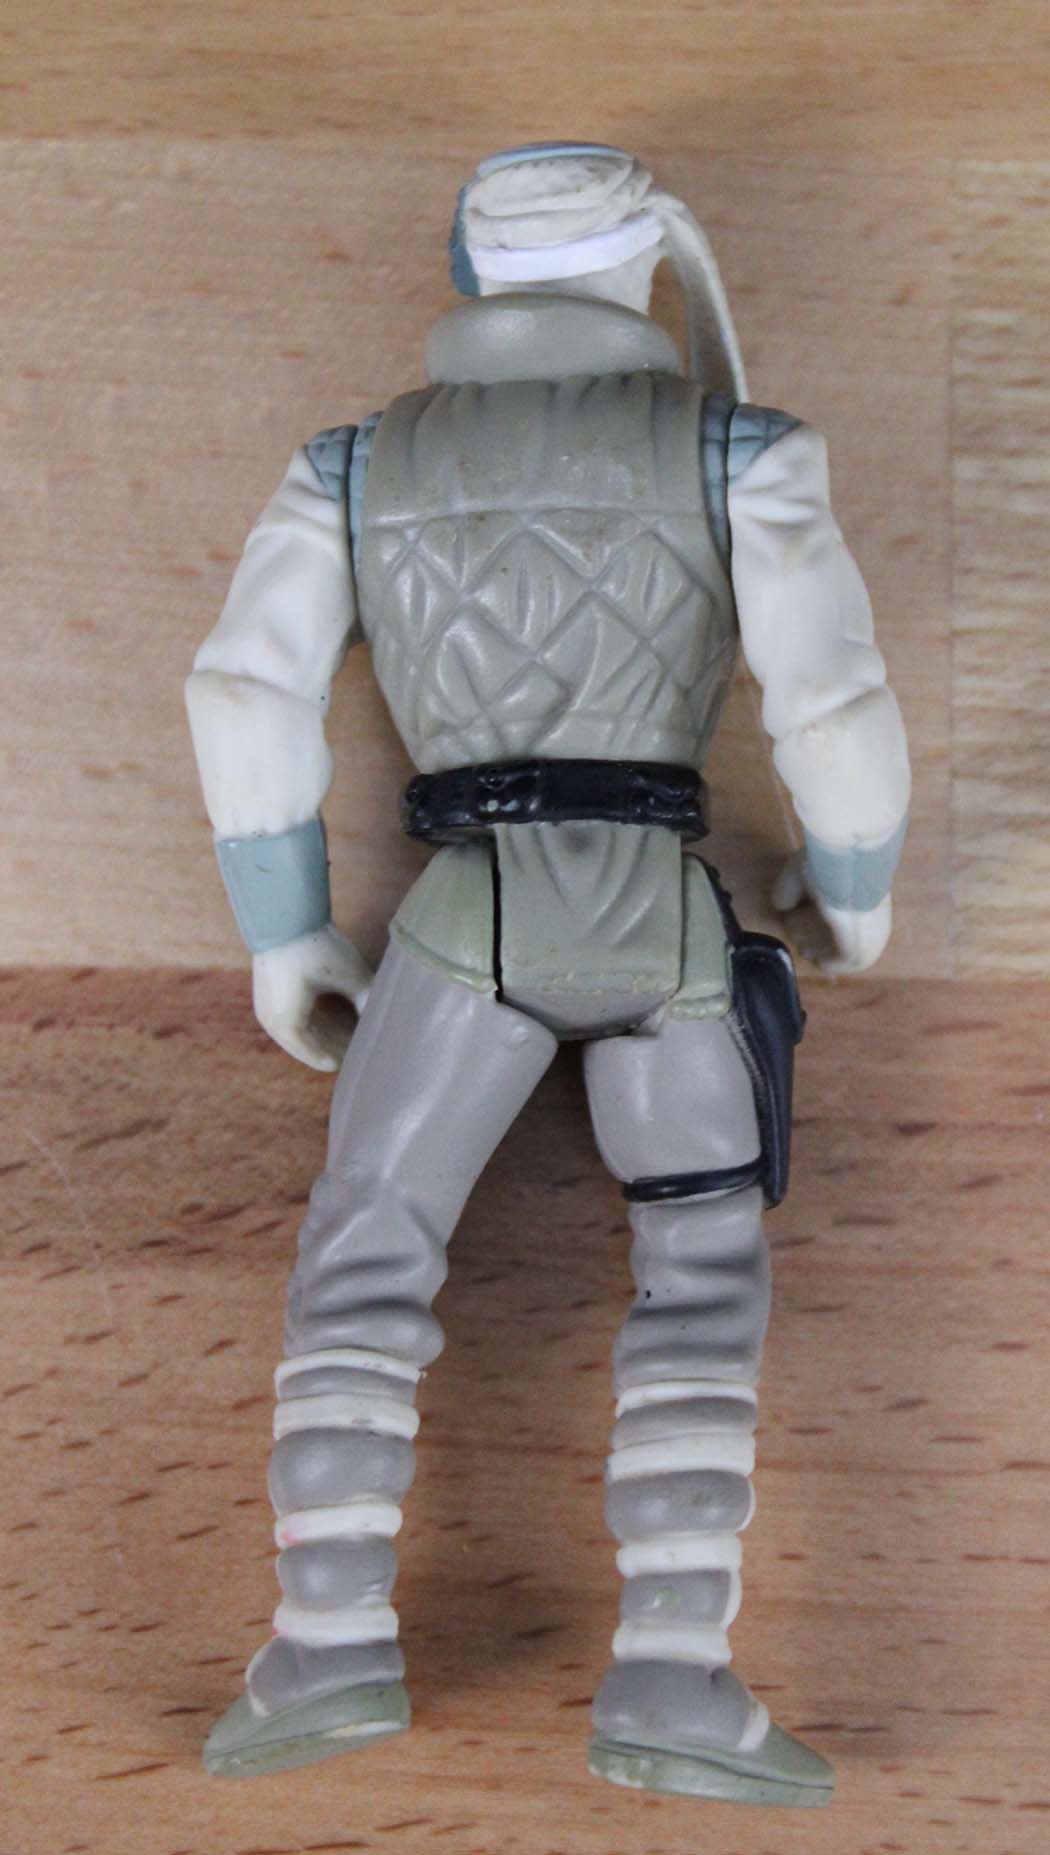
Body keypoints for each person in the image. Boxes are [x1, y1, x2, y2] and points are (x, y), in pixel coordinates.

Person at [186, 142, 910, 1801]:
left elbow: (244, 691)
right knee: (702, 1272)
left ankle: (322, 1641)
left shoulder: (352, 469)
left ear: (475, 275)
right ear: (646, 266)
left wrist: (286, 925)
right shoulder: (739, 452)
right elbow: (832, 699)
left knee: (367, 1247)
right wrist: (852, 889)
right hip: (661, 915)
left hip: (465, 914)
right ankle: (676, 1670)